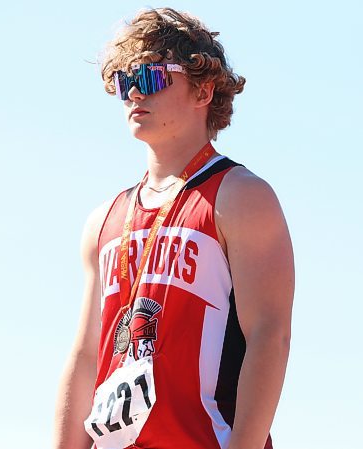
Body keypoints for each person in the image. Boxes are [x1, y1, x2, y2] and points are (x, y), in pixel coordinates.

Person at [53, 7, 294, 449]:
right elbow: (87, 356)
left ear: (203, 90)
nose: (133, 94)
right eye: (125, 81)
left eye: (150, 77)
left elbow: (270, 337)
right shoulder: (103, 220)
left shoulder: (240, 196)